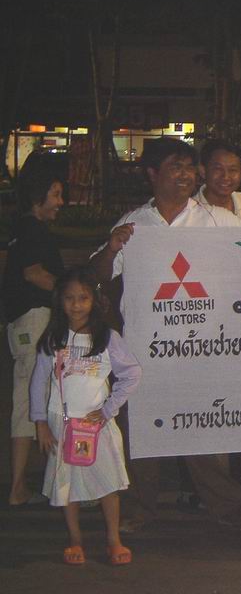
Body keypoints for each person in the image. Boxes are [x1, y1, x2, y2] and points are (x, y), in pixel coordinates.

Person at [88, 137, 241, 533]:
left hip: (200, 349)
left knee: (201, 430)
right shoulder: (135, 223)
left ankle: (228, 508)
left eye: (188, 168)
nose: (185, 176)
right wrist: (112, 249)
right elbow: (98, 274)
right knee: (141, 433)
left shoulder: (215, 220)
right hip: (144, 351)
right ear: (152, 174)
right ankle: (139, 509)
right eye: (174, 167)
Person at [30, 267, 142, 565]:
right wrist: (40, 422)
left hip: (97, 426)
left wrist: (107, 410)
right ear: (60, 300)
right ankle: (75, 540)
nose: (76, 305)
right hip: (62, 423)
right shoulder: (53, 338)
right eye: (69, 298)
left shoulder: (107, 337)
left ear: (94, 300)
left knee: (108, 485)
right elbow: (39, 382)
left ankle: (113, 540)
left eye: (83, 298)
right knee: (67, 484)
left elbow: (132, 374)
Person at [193, 139, 241, 487]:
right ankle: (198, 478)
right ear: (203, 171)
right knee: (205, 396)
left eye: (233, 170)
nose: (226, 177)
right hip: (205, 313)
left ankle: (239, 464)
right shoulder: (191, 209)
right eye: (218, 169)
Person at [1, 166, 65, 506]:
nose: (61, 202)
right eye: (55, 194)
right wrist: (71, 294)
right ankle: (33, 485)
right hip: (35, 320)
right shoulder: (34, 230)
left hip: (22, 324)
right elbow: (34, 273)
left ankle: (21, 485)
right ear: (38, 197)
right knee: (38, 399)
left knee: (29, 398)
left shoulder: (21, 229)